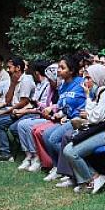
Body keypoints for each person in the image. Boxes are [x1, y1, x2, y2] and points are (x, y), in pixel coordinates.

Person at [59, 64, 105, 194]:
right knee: (69, 147)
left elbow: (94, 117)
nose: (86, 81)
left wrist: (87, 98)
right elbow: (94, 114)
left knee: (71, 152)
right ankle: (93, 177)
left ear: (98, 77)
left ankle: (92, 178)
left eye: (89, 78)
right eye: (85, 78)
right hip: (102, 130)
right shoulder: (102, 91)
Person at [39, 55, 86, 183]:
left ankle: (70, 169)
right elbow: (62, 105)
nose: (58, 70)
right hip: (66, 119)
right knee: (46, 135)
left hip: (78, 120)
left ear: (71, 70)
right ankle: (57, 166)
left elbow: (88, 101)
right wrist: (58, 112)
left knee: (54, 139)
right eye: (59, 67)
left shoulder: (81, 83)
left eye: (62, 67)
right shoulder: (62, 86)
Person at [0, 57, 37, 162]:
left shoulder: (26, 80)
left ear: (18, 68)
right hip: (15, 110)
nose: (7, 70)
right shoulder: (15, 80)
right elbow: (7, 99)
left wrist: (7, 111)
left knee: (0, 122)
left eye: (9, 67)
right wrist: (13, 84)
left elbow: (24, 102)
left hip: (25, 112)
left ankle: (9, 152)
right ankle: (5, 153)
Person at [17, 63, 58, 172]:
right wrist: (39, 104)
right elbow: (46, 105)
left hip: (54, 118)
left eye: (51, 80)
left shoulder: (61, 88)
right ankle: (29, 155)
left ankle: (37, 157)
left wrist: (50, 109)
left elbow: (58, 106)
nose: (49, 82)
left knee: (30, 126)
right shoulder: (51, 88)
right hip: (46, 115)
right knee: (21, 124)